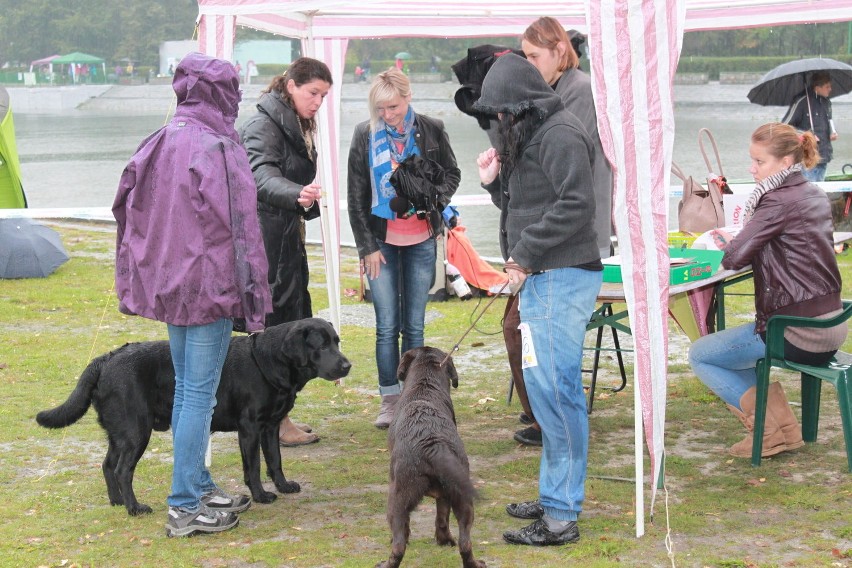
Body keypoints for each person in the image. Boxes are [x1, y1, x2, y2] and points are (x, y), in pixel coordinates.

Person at [113, 52, 271, 537]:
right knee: (198, 395)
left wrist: (148, 269)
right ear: (222, 93)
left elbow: (126, 209)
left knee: (188, 390)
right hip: (208, 286)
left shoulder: (158, 140)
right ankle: (184, 505)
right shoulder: (220, 146)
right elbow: (244, 229)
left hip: (172, 283)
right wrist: (255, 295)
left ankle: (198, 484)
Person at [475, 53, 602, 547]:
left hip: (560, 276)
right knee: (545, 392)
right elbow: (527, 205)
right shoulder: (533, 134)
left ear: (522, 105)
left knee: (558, 393)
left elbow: (577, 205)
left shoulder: (562, 134)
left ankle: (561, 516)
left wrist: (524, 255)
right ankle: (555, 496)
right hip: (540, 278)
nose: (497, 122)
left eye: (501, 113)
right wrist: (492, 186)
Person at [688, 122, 847, 459]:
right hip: (830, 324)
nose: (752, 168)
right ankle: (784, 428)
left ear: (786, 161)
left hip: (796, 331)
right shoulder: (812, 193)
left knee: (702, 354)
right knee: (731, 353)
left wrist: (730, 239)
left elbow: (733, 257)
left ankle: (767, 431)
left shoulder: (776, 202)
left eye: (759, 162)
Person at [506, 16, 615, 447]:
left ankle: (550, 431)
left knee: (554, 368)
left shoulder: (579, 93)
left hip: (567, 248)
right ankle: (545, 427)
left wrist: (528, 247)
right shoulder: (549, 94)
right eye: (525, 57)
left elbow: (574, 183)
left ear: (559, 50)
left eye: (534, 55)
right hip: (546, 247)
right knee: (531, 346)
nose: (529, 65)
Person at [347, 68, 460, 428]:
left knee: (414, 326)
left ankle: (414, 396)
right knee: (385, 326)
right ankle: (389, 400)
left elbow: (452, 174)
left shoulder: (431, 129)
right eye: (380, 108)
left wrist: (433, 197)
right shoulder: (364, 134)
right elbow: (356, 196)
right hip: (380, 242)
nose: (387, 115)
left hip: (421, 240)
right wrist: (366, 246)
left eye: (393, 107)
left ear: (408, 98)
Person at [239, 57, 333, 447]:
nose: (318, 103)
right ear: (291, 85)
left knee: (287, 325)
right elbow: (260, 176)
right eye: (313, 93)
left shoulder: (293, 122)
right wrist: (297, 193)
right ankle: (274, 424)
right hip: (265, 245)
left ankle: (280, 417)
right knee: (273, 335)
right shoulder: (264, 125)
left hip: (284, 240)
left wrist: (303, 201)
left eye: (324, 96)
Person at [782, 71, 838, 182]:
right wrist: (807, 135)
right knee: (809, 192)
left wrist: (832, 132)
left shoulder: (827, 102)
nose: (830, 89)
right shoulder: (801, 102)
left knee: (819, 190)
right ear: (817, 87)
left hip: (823, 156)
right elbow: (785, 127)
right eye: (827, 86)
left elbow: (829, 122)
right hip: (807, 156)